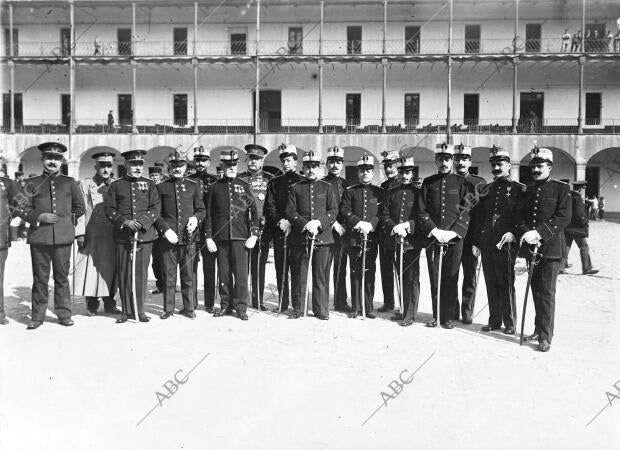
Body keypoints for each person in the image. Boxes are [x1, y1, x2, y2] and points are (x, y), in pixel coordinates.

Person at [19, 142, 85, 329]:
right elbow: (21, 208)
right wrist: (37, 216)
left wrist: (65, 222)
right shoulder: (31, 183)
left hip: (63, 238)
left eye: (56, 158)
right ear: (42, 160)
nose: (53, 162)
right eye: (49, 158)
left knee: (61, 277)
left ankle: (64, 314)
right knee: (40, 278)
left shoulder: (70, 182)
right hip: (40, 237)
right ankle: (37, 316)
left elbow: (79, 207)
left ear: (61, 161)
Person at [517, 146, 571, 352]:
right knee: (535, 291)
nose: (536, 170)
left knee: (547, 293)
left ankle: (546, 336)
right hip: (532, 249)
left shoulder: (561, 189)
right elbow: (520, 218)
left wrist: (539, 232)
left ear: (549, 167)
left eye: (540, 166)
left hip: (551, 250)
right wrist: (525, 233)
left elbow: (563, 218)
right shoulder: (527, 190)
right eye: (533, 166)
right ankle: (538, 328)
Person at [418, 143, 473, 329]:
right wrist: (433, 230)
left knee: (451, 277)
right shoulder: (428, 182)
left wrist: (453, 232)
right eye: (440, 159)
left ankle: (448, 316)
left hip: (454, 238)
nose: (444, 163)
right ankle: (436, 315)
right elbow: (421, 210)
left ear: (452, 161)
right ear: (435, 161)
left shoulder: (462, 183)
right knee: (435, 278)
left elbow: (466, 211)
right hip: (434, 237)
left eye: (447, 159)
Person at [471, 146, 525, 335]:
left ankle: (510, 323)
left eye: (500, 164)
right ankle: (494, 321)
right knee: (491, 283)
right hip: (487, 243)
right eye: (493, 164)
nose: (496, 167)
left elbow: (521, 219)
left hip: (506, 245)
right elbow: (480, 217)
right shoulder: (486, 189)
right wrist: (477, 242)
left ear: (509, 165)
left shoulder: (518, 189)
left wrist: (515, 235)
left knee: (506, 283)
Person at [104, 149, 160, 324]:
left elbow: (155, 208)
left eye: (140, 164)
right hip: (123, 235)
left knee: (140, 274)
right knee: (124, 273)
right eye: (133, 164)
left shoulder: (150, 185)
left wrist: (142, 222)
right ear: (126, 165)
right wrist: (125, 222)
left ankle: (139, 310)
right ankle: (126, 311)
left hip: (144, 235)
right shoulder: (116, 185)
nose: (137, 167)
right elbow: (110, 209)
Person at [203, 149, 258, 320]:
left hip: (241, 238)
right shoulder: (214, 188)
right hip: (221, 239)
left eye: (234, 164)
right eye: (228, 165)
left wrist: (254, 235)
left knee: (241, 275)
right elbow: (209, 214)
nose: (232, 167)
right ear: (222, 166)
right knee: (224, 274)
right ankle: (226, 305)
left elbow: (254, 212)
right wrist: (208, 236)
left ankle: (241, 307)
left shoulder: (244, 185)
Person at [286, 150, 338, 320]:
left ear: (319, 168)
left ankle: (321, 309)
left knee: (320, 276)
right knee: (299, 275)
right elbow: (291, 211)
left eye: (314, 166)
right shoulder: (295, 188)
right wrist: (305, 224)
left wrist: (319, 223)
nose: (310, 170)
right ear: (303, 167)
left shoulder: (327, 187)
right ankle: (299, 308)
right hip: (301, 238)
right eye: (307, 166)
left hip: (323, 239)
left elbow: (333, 210)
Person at [155, 150, 205, 319]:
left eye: (180, 165)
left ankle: (189, 308)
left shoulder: (193, 185)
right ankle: (168, 309)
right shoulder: (161, 187)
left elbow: (201, 210)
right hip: (168, 239)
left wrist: (195, 219)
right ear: (169, 167)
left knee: (188, 275)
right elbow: (156, 213)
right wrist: (165, 229)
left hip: (188, 238)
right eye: (174, 165)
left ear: (185, 167)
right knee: (169, 275)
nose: (177, 169)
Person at [74, 152, 121, 316]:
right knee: (90, 269)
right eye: (102, 166)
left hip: (111, 234)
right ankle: (91, 304)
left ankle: (110, 303)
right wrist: (79, 233)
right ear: (96, 167)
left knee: (111, 269)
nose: (106, 169)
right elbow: (79, 210)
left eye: (109, 165)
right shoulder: (85, 184)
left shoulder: (116, 184)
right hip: (91, 233)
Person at [381, 155, 423, 327]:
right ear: (398, 172)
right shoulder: (391, 193)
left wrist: (408, 225)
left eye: (408, 172)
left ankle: (410, 314)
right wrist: (394, 227)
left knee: (411, 277)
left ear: (412, 173)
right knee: (400, 274)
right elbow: (384, 214)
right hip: (396, 240)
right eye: (402, 172)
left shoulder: (419, 193)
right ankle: (403, 308)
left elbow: (422, 216)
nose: (405, 175)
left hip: (412, 242)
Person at [340, 154, 383, 319]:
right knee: (355, 271)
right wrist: (358, 223)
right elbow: (345, 211)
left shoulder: (379, 192)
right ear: (358, 172)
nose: (365, 173)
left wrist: (371, 225)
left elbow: (382, 213)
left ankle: (369, 306)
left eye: (369, 170)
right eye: (362, 170)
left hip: (372, 238)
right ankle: (356, 307)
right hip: (354, 238)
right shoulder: (350, 192)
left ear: (373, 173)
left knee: (370, 271)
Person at [264, 144, 303, 312]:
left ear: (296, 162)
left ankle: (297, 305)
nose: (286, 164)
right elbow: (270, 206)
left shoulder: (302, 181)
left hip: (297, 232)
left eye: (289, 160)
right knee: (281, 269)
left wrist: (292, 222)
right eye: (283, 161)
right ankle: (282, 303)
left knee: (297, 269)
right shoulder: (275, 183)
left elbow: (305, 208)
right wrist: (281, 221)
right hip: (280, 232)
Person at [453, 144, 486, 324]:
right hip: (452, 237)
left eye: (464, 159)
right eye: (457, 159)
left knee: (470, 275)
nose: (461, 162)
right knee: (451, 275)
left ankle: (467, 311)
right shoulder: (448, 182)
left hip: (470, 237)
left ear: (470, 162)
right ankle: (452, 310)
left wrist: (477, 241)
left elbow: (481, 215)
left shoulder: (478, 183)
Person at [239, 144, 273, 311]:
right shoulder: (239, 178)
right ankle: (241, 300)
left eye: (257, 158)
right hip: (242, 228)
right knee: (242, 266)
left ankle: (257, 299)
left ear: (262, 160)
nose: (253, 161)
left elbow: (271, 203)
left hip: (262, 228)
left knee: (259, 265)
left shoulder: (269, 178)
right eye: (250, 158)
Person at [188, 145, 218, 313]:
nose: (200, 163)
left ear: (209, 162)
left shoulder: (215, 181)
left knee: (209, 266)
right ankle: (191, 302)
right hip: (192, 227)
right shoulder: (188, 180)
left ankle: (209, 303)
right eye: (198, 160)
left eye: (204, 160)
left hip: (210, 229)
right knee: (191, 266)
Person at [322, 145, 351, 313]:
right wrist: (333, 223)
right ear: (327, 164)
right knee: (324, 268)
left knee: (341, 268)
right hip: (327, 231)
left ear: (342, 164)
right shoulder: (321, 183)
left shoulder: (346, 184)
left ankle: (340, 302)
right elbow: (320, 209)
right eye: (332, 162)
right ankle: (322, 303)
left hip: (343, 234)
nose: (335, 165)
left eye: (338, 162)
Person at [376, 150, 401, 313]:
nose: (389, 169)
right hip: (384, 235)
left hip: (399, 234)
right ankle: (388, 302)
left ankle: (402, 303)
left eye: (391, 165)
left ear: (398, 165)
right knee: (385, 270)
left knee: (401, 271)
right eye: (386, 166)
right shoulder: (383, 186)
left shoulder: (404, 184)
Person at [561, 180, 598, 276]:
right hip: (577, 228)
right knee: (584, 247)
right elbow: (579, 214)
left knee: (566, 247)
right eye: (583, 188)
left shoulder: (569, 196)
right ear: (581, 188)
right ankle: (587, 268)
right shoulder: (577, 198)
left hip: (568, 227)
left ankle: (560, 267)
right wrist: (585, 221)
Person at [1, 174, 19, 325]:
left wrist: (5, 220)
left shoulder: (7, 183)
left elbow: (18, 204)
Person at [149, 165, 165, 294]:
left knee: (165, 259)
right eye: (152, 176)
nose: (154, 178)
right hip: (152, 230)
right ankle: (160, 284)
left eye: (156, 176)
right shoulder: (149, 189)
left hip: (163, 228)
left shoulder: (164, 188)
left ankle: (168, 284)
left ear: (161, 177)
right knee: (155, 260)